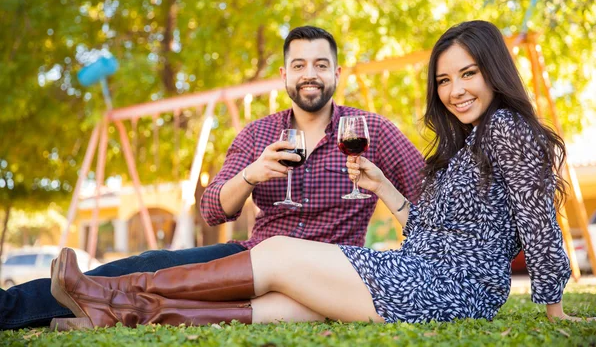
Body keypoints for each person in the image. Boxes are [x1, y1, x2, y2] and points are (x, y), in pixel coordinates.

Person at [48, 20, 590, 330]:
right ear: (285, 74)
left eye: (469, 74)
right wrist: (384, 190)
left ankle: (110, 290)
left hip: (454, 288)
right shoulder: (467, 141)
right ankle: (120, 313)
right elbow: (431, 227)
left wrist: (554, 305)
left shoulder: (507, 130)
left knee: (281, 254)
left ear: (494, 72)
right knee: (283, 311)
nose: (456, 91)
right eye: (445, 80)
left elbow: (538, 222)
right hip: (421, 268)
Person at [0, 26, 423, 330]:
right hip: (253, 258)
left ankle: (107, 314)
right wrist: (253, 174)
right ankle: (9, 309)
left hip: (330, 271)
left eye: (320, 64)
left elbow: (429, 193)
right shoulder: (258, 133)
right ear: (284, 76)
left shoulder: (369, 130)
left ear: (336, 74)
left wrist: (385, 188)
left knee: (164, 293)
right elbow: (213, 207)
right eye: (299, 64)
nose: (309, 73)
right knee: (147, 265)